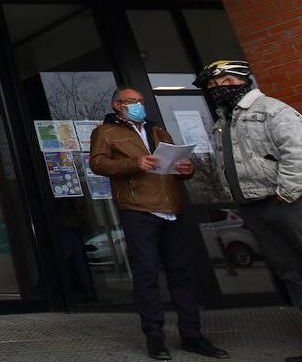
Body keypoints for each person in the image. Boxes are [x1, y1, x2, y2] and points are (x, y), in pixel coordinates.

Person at [89, 88, 228, 360]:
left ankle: (192, 334)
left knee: (182, 274)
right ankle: (155, 337)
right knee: (147, 273)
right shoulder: (106, 132)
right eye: (131, 102)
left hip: (173, 208)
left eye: (141, 101)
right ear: (117, 105)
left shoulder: (158, 131)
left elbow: (176, 160)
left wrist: (189, 169)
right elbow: (98, 164)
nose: (138, 105)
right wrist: (134, 162)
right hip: (138, 209)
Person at [197, 59, 302, 361]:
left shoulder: (271, 109)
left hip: (286, 203)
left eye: (223, 82)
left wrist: (287, 191)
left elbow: (297, 150)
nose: (217, 89)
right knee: (291, 273)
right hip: (253, 207)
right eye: (212, 86)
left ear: (242, 80)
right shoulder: (223, 121)